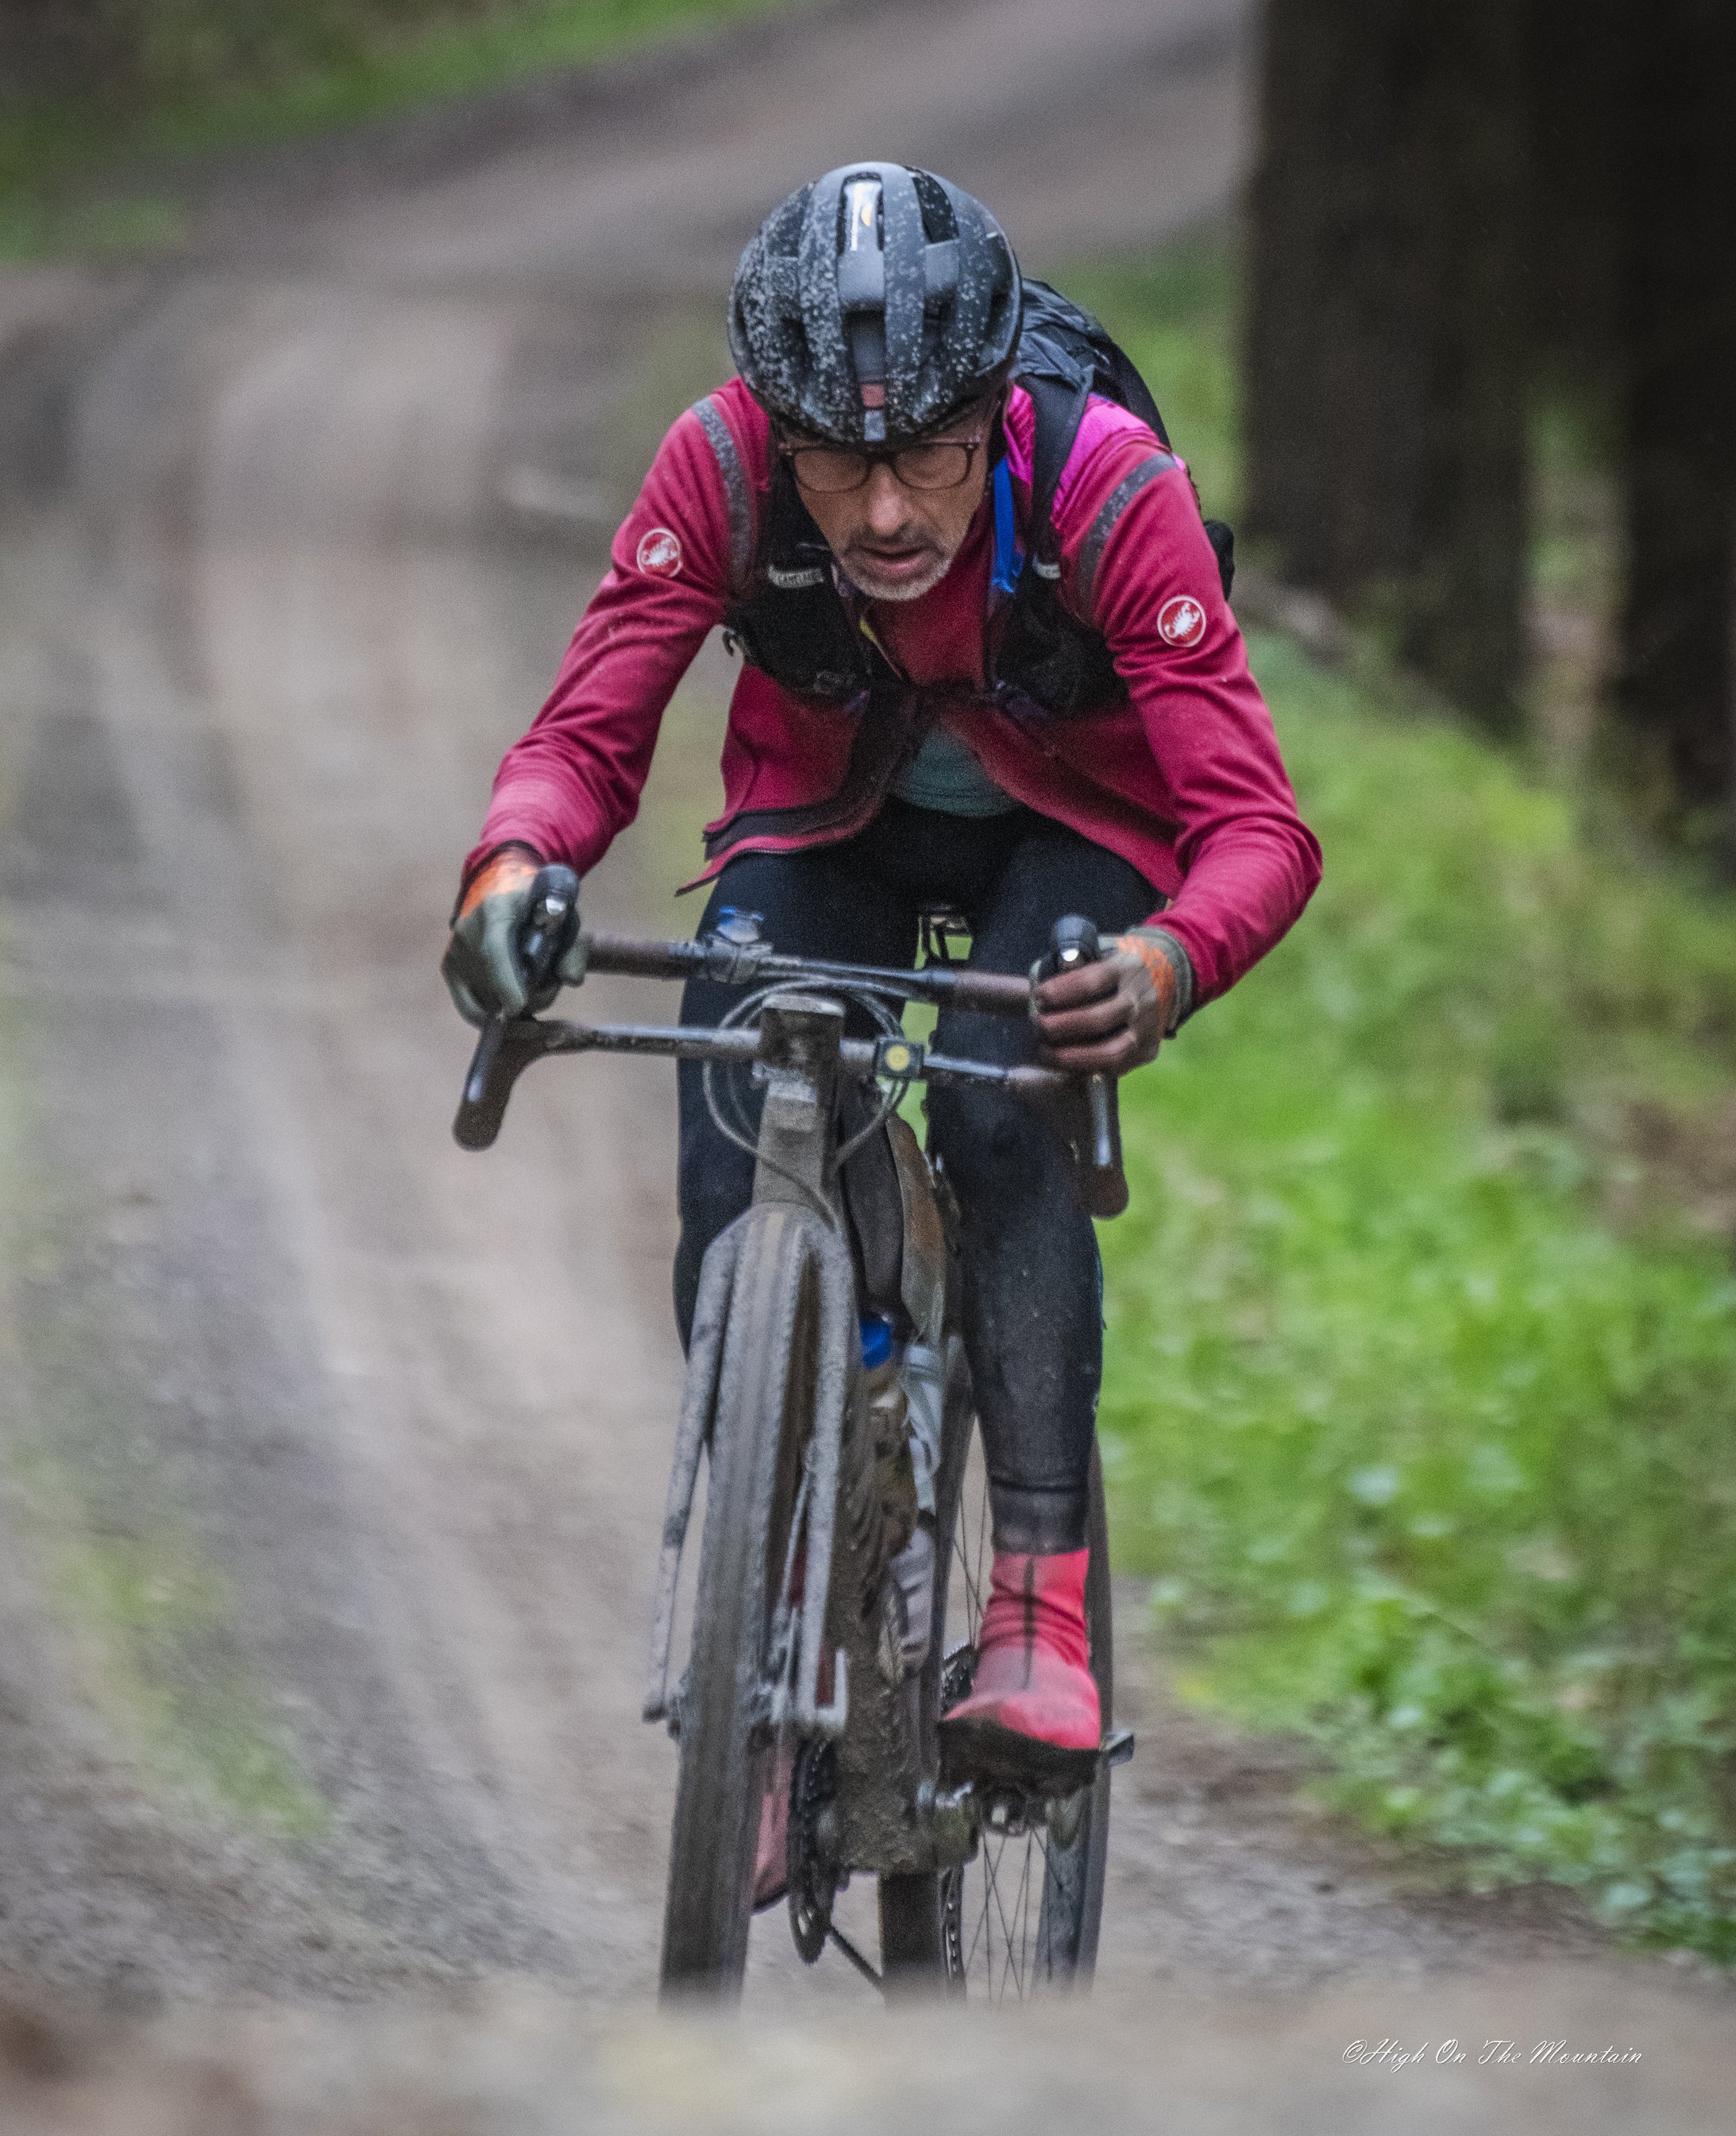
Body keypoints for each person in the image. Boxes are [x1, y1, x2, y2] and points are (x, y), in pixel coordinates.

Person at [444, 163, 1320, 1791]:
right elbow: (580, 741)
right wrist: (511, 871)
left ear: (994, 407)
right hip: (831, 821)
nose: (886, 510)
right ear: (774, 432)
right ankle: (765, 1620)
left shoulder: (1108, 488)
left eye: (927, 449)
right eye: (838, 463)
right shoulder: (711, 465)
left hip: (1071, 838)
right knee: (736, 1105)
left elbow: (1258, 830)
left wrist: (1162, 962)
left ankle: (1037, 1613)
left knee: (1004, 1108)